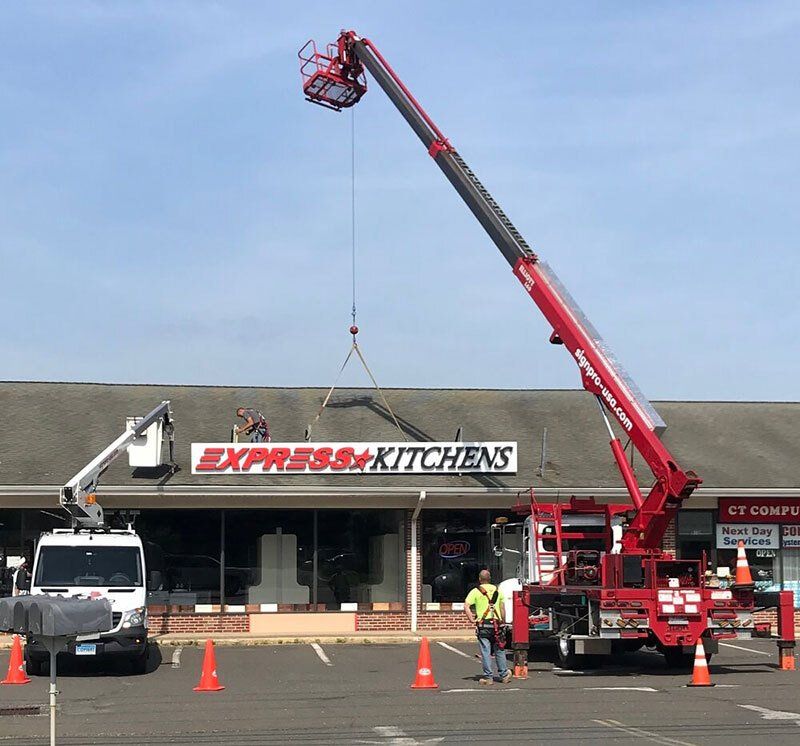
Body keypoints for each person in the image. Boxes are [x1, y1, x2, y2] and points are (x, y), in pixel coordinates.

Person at [464, 569, 511, 685]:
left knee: (485, 651)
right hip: (496, 625)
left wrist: (471, 618)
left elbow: (466, 605)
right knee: (499, 649)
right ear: (490, 579)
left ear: (480, 579)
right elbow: (502, 608)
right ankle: (504, 674)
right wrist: (503, 621)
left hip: (483, 625)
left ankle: (488, 677)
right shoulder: (497, 591)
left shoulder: (476, 591)